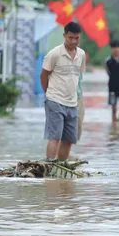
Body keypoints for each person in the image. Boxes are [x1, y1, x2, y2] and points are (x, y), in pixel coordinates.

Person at [40, 22, 86, 163]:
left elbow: (78, 77)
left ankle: (61, 165)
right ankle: (49, 163)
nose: (73, 41)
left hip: (72, 103)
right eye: (70, 38)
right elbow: (43, 75)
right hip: (55, 100)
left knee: (69, 139)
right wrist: (48, 94)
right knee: (55, 137)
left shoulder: (81, 54)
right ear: (64, 36)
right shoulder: (54, 54)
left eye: (76, 38)